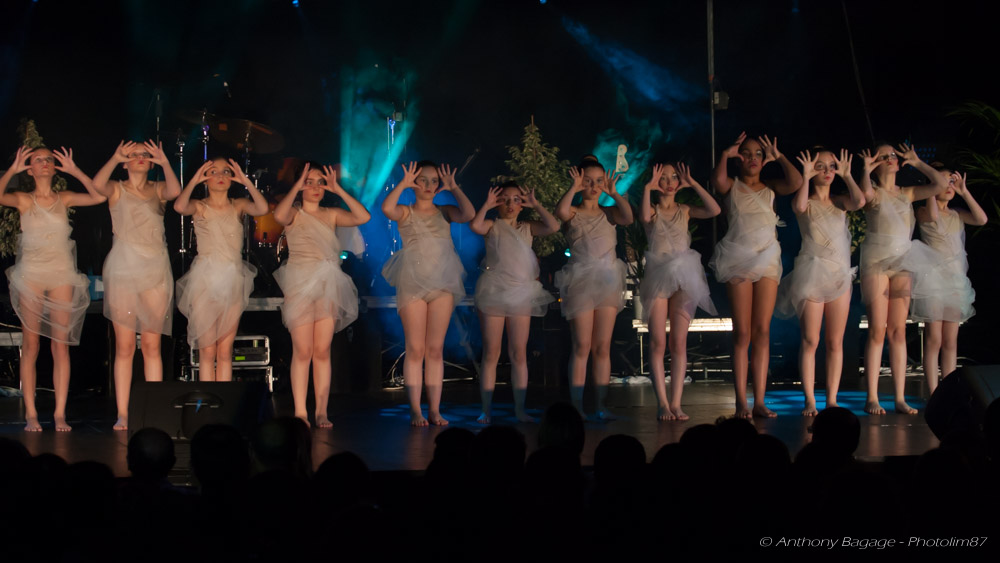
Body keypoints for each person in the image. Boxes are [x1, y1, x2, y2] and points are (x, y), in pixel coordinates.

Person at [1, 146, 106, 431]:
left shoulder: (65, 198)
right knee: (32, 344)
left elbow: (99, 196)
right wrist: (12, 170)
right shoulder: (24, 199)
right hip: (32, 275)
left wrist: (75, 170)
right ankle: (31, 413)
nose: (45, 162)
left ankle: (60, 413)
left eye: (49, 159)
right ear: (31, 168)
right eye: (39, 160)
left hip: (61, 274)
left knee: (60, 345)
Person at [709, 132, 803, 418]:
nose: (752, 158)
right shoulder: (732, 186)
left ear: (764, 159)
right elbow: (717, 181)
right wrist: (725, 155)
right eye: (747, 154)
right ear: (739, 159)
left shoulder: (771, 187)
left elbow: (796, 182)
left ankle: (760, 401)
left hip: (768, 260)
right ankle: (741, 402)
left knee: (762, 331)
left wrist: (780, 156)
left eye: (758, 154)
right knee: (743, 332)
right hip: (738, 259)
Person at [91, 140, 181, 430]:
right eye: (134, 155)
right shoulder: (116, 188)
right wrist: (115, 157)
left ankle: (153, 409)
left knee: (152, 344)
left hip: (155, 269)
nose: (140, 158)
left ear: (151, 162)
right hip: (124, 270)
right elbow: (96, 185)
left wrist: (165, 162)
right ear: (125, 162)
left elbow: (176, 192)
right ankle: (123, 412)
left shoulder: (158, 189)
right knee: (125, 345)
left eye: (145, 155)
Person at [273, 163, 370, 428]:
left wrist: (338, 189)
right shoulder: (294, 213)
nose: (315, 187)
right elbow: (279, 215)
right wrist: (297, 185)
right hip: (300, 284)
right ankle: (300, 411)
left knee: (322, 350)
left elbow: (363, 217)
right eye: (309, 182)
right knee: (303, 351)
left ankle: (321, 411)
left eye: (319, 182)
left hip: (328, 284)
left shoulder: (332, 213)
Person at [381, 161, 475, 426]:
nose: (429, 185)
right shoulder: (405, 211)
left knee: (435, 349)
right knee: (415, 348)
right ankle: (415, 409)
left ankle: (434, 409)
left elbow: (468, 214)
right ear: (414, 182)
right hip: (413, 282)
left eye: (434, 181)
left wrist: (454, 187)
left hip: (442, 283)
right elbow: (387, 208)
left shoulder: (445, 211)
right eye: (423, 179)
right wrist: (402, 184)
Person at [858, 143, 947, 414]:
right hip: (876, 264)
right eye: (885, 156)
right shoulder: (874, 192)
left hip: (903, 264)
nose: (891, 159)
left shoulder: (907, 193)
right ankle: (872, 397)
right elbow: (864, 195)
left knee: (898, 330)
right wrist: (866, 170)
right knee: (877, 330)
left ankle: (899, 397)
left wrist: (917, 162)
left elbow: (940, 184)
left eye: (893, 155)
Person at [776, 149, 865, 415]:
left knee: (835, 341)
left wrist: (847, 175)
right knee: (811, 339)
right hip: (813, 273)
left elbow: (860, 201)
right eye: (821, 166)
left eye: (831, 166)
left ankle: (832, 399)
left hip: (839, 275)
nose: (827, 171)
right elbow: (799, 207)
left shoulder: (840, 202)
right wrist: (805, 176)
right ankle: (810, 400)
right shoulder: (807, 201)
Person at [469, 181, 558, 424]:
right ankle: (486, 410)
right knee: (491, 352)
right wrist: (487, 205)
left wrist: (536, 204)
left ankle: (520, 409)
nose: (510, 204)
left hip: (520, 293)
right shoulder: (492, 226)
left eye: (516, 199)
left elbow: (553, 226)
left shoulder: (527, 227)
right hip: (494, 291)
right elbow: (475, 225)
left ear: (522, 204)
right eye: (505, 199)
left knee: (519, 352)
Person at [173, 158, 268, 381]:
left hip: (232, 278)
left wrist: (245, 180)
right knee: (207, 350)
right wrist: (195, 179)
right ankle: (209, 398)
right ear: (206, 178)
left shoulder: (238, 205)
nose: (220, 176)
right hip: (205, 279)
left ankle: (223, 397)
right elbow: (179, 207)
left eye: (226, 171)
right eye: (213, 172)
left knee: (225, 350)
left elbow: (262, 208)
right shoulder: (199, 206)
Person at [639, 162, 720, 421]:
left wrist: (693, 183)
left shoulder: (684, 210)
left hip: (685, 276)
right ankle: (662, 404)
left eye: (674, 177)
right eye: (663, 178)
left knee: (679, 342)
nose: (669, 182)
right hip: (659, 277)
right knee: (658, 342)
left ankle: (676, 403)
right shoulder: (652, 211)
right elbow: (643, 218)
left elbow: (714, 210)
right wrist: (648, 187)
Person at [554, 157, 632, 419]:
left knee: (602, 346)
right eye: (588, 181)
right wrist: (573, 188)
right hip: (581, 281)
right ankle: (577, 406)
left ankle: (600, 405)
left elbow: (628, 217)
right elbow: (560, 212)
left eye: (599, 181)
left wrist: (614, 193)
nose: (594, 186)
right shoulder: (573, 212)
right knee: (582, 345)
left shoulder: (609, 212)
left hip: (608, 280)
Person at [913, 168, 986, 394]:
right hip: (933, 282)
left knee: (950, 341)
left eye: (951, 182)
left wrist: (964, 192)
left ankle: (949, 391)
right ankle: (934, 392)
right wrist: (932, 188)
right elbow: (934, 216)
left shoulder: (957, 214)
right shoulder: (924, 211)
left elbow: (981, 219)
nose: (949, 186)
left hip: (954, 281)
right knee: (934, 339)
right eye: (943, 181)